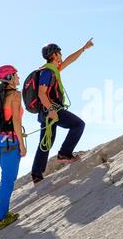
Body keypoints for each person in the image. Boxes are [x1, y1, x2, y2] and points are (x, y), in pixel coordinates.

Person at [31, 39, 93, 184]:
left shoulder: (53, 69)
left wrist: (83, 48)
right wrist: (52, 110)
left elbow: (70, 60)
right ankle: (64, 153)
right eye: (59, 52)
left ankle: (36, 174)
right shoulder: (47, 71)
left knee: (46, 142)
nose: (61, 55)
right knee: (78, 124)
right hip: (51, 109)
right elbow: (41, 93)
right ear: (55, 54)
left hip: (46, 111)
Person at [0, 65, 27, 230]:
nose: (18, 78)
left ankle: (3, 214)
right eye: (16, 75)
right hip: (10, 142)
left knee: (5, 178)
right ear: (9, 78)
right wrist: (22, 144)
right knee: (7, 180)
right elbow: (16, 122)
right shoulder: (14, 95)